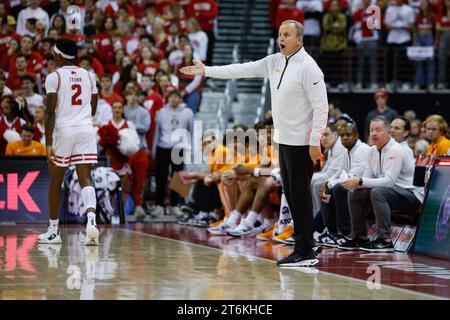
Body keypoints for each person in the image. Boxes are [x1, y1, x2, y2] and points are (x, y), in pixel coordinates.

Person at [180, 20, 328, 267]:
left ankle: (306, 251)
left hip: (302, 143)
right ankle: (304, 246)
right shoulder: (274, 62)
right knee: (291, 195)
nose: (281, 38)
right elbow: (242, 69)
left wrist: (315, 142)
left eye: (287, 34)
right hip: (283, 140)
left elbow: (321, 106)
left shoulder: (309, 67)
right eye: (280, 34)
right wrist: (208, 71)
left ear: (299, 39)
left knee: (300, 195)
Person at [39, 39, 100, 246]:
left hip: (64, 130)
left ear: (58, 56)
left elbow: (49, 113)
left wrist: (48, 143)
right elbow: (93, 107)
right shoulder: (88, 75)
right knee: (85, 177)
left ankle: (54, 232)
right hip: (85, 129)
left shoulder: (54, 77)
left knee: (56, 179)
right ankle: (92, 220)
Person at [338, 117, 424, 252]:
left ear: (388, 132)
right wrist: (354, 181)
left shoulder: (396, 150)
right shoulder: (371, 151)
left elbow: (389, 181)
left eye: (378, 130)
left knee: (377, 192)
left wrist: (360, 181)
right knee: (355, 192)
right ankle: (360, 236)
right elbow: (367, 177)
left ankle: (385, 240)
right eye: (371, 130)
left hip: (411, 195)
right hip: (390, 192)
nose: (373, 133)